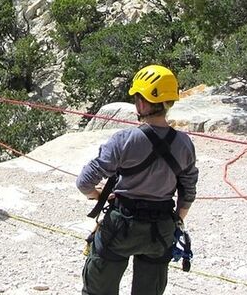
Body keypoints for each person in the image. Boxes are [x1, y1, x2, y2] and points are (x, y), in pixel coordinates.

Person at [76, 64, 199, 295]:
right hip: (161, 228)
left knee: (98, 288)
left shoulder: (123, 140)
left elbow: (84, 182)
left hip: (121, 224)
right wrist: (176, 222)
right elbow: (188, 190)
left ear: (142, 103)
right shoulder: (185, 144)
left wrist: (99, 194)